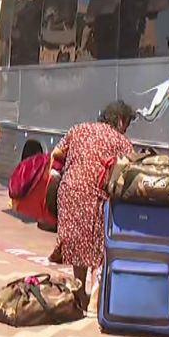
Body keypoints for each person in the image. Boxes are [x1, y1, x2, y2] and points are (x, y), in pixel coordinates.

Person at [50, 100, 136, 312]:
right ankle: (95, 302)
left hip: (69, 192)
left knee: (77, 246)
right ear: (121, 120)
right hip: (96, 196)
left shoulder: (78, 129)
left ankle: (80, 294)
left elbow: (56, 153)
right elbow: (132, 166)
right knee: (99, 249)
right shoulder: (121, 140)